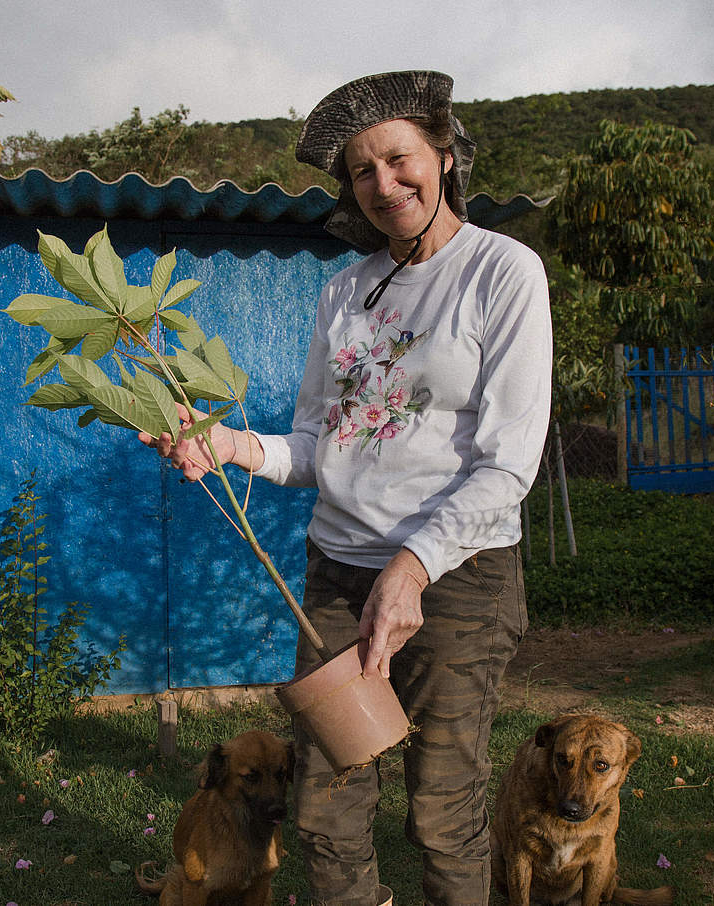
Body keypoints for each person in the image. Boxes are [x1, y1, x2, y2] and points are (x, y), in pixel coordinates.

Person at [143, 70, 552, 906]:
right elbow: (312, 446)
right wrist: (227, 445)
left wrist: (412, 568)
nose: (383, 183)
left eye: (398, 159)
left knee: (442, 807)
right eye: (362, 170)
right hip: (336, 579)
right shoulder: (343, 291)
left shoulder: (502, 274)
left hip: (457, 582)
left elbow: (509, 464)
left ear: (443, 154)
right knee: (325, 809)